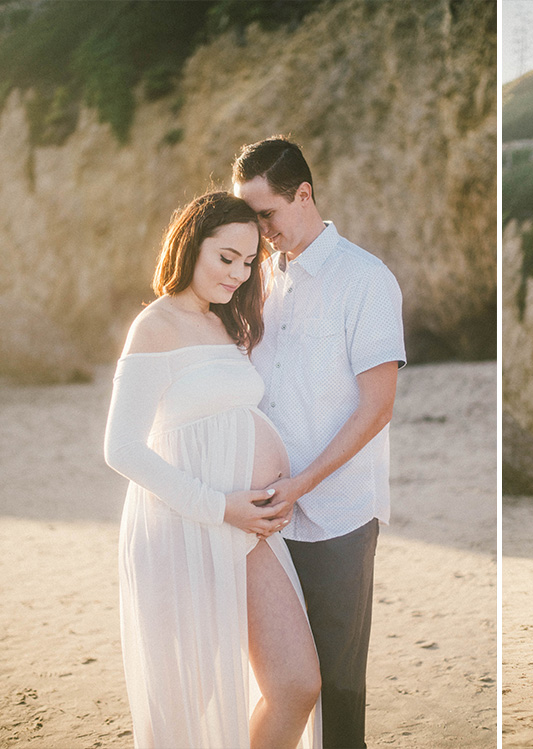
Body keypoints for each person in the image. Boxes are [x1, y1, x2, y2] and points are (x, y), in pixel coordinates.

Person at [104, 191, 322, 748]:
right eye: (225, 257)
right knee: (189, 705)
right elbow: (122, 448)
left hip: (247, 530)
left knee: (296, 684)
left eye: (248, 262)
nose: (237, 273)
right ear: (190, 245)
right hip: (186, 525)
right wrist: (220, 506)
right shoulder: (153, 326)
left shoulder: (227, 324)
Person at [233, 137, 406, 749]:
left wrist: (300, 484)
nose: (257, 231)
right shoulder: (253, 280)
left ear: (303, 194)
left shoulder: (365, 279)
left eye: (265, 214)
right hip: (263, 518)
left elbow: (377, 407)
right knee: (282, 683)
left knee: (338, 687)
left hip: (336, 512)